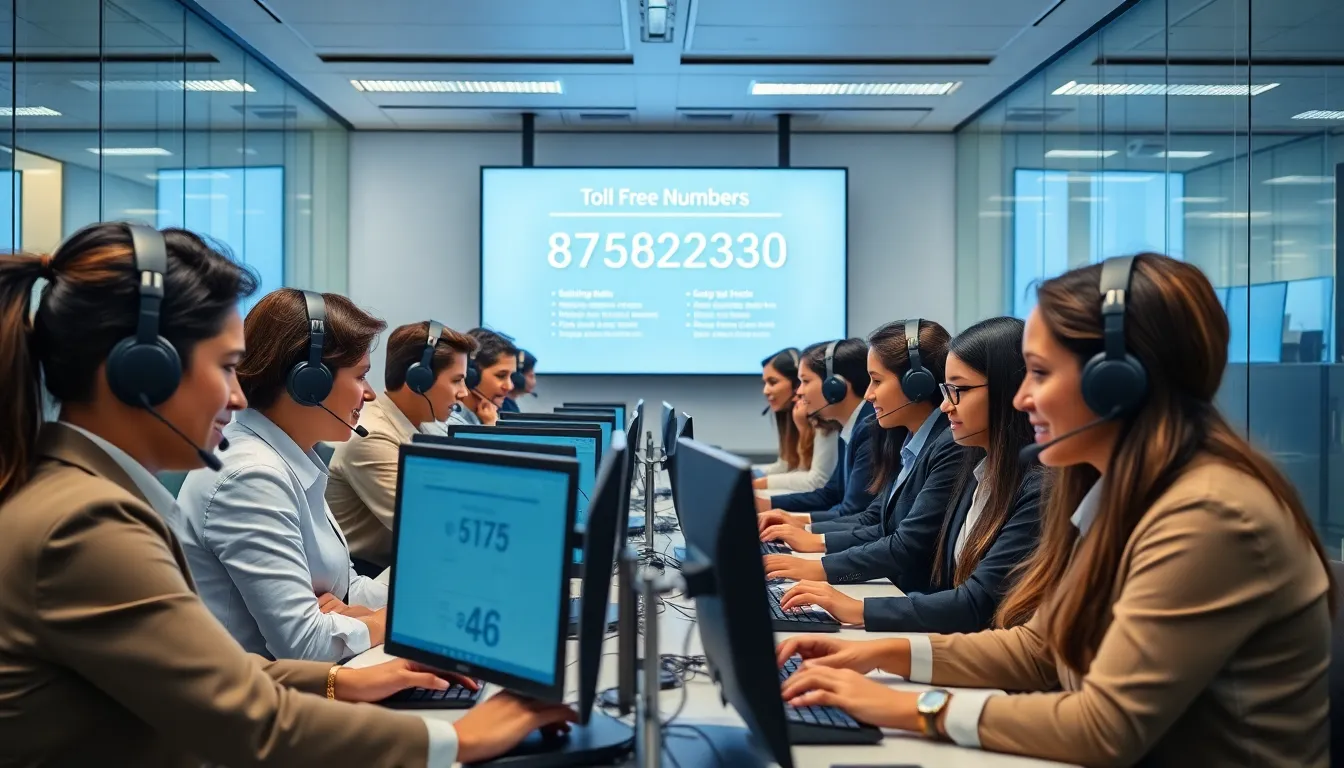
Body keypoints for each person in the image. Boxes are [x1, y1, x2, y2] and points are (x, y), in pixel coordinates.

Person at [0, 222, 575, 766]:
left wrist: (335, 679)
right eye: (226, 368)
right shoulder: (85, 524)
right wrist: (456, 739)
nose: (237, 396)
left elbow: (214, 672)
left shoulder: (83, 494)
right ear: (143, 372)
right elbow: (250, 722)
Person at [776, 254, 1332, 767]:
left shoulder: (1209, 514)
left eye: (1040, 374)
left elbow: (1106, 726)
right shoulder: (1118, 492)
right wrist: (877, 655)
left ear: (1116, 383)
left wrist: (910, 708)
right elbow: (1043, 650)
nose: (1020, 399)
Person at [776, 317, 1044, 633]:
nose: (946, 406)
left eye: (958, 389)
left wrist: (855, 604)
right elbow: (877, 519)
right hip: (942, 633)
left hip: (958, 642)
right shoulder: (975, 463)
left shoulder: (997, 469)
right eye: (947, 389)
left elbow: (971, 599)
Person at [175, 289, 393, 663]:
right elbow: (307, 646)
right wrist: (385, 624)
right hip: (250, 709)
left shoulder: (288, 454)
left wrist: (417, 582)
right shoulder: (251, 477)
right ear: (310, 383)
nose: (369, 395)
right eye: (361, 377)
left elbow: (346, 591)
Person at [758, 319, 961, 582]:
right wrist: (811, 535)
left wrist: (819, 565)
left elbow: (905, 544)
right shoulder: (906, 437)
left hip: (911, 597)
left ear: (916, 385)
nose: (869, 394)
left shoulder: (945, 446)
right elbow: (875, 518)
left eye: (876, 381)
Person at [327, 320, 477, 572]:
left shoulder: (425, 426)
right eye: (456, 380)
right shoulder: (372, 436)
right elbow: (429, 526)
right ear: (419, 379)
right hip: (366, 575)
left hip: (403, 564)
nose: (464, 392)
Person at [755, 338, 876, 523]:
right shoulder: (849, 427)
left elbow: (852, 512)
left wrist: (801, 526)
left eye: (805, 381)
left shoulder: (868, 430)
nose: (799, 392)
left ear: (835, 386)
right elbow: (831, 493)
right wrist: (772, 507)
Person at [752, 347, 839, 493]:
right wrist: (750, 475)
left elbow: (817, 479)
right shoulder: (788, 414)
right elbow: (787, 465)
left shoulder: (824, 417)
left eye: (772, 382)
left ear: (796, 383)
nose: (765, 391)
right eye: (764, 384)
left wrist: (758, 483)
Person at [449, 328, 519, 427]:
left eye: (511, 376)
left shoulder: (486, 417)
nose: (510, 386)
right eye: (501, 376)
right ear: (470, 374)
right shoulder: (452, 424)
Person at [500, 348, 536, 413]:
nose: (534, 381)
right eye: (531, 376)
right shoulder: (505, 407)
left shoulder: (509, 404)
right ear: (517, 377)